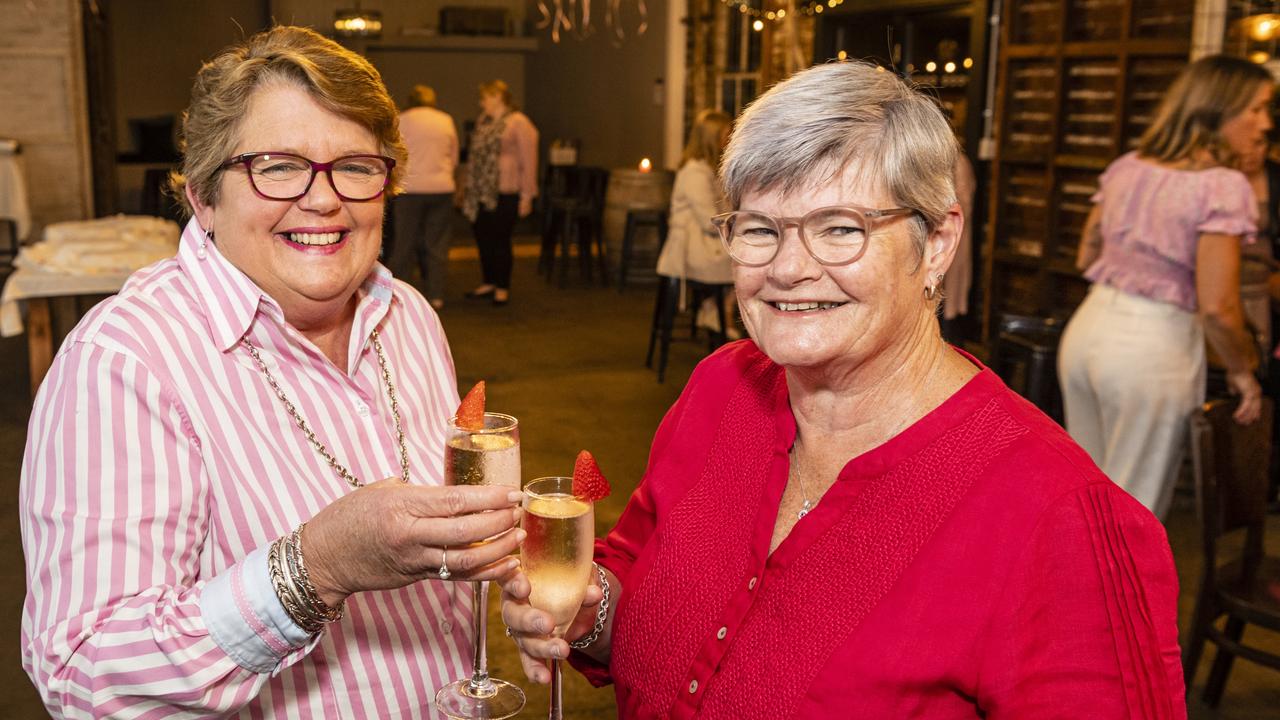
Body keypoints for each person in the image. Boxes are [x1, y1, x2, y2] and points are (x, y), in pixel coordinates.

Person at [499, 61, 1187, 717]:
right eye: (761, 229)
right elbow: (635, 585)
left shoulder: (1058, 517)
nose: (790, 268)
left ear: (938, 241)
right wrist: (593, 613)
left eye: (840, 228)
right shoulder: (721, 390)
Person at [19, 27, 525, 718]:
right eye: (278, 166)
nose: (323, 200)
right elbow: (86, 675)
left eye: (355, 165)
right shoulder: (126, 360)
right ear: (202, 194)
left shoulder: (404, 312)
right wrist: (314, 569)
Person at [1058, 54, 1270, 518]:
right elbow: (1218, 306)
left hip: (1088, 330)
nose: (1265, 123)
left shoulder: (1129, 166)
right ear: (1218, 110)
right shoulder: (1222, 186)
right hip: (1151, 348)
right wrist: (1241, 371)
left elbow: (1087, 255)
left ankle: (1063, 590)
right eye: (1256, 108)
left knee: (1082, 497)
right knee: (1132, 514)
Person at [655, 109, 739, 339]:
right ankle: (718, 310)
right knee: (747, 259)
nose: (729, 138)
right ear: (711, 138)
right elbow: (709, 220)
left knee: (751, 255)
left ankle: (715, 308)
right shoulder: (694, 172)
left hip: (703, 240)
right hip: (690, 247)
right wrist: (738, 226)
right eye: (725, 134)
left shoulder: (708, 169)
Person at [461, 79, 538, 306]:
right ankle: (489, 281)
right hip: (481, 192)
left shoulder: (518, 122)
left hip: (506, 191)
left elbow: (529, 160)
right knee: (483, 237)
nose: (481, 102)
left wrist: (527, 195)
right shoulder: (483, 121)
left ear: (498, 97)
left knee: (500, 239)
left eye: (484, 97)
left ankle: (502, 286)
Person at [392, 83, 458, 310]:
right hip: (441, 189)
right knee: (437, 244)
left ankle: (398, 296)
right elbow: (454, 156)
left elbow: (395, 156)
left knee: (404, 243)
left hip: (410, 190)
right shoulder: (445, 120)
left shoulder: (402, 119)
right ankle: (436, 295)